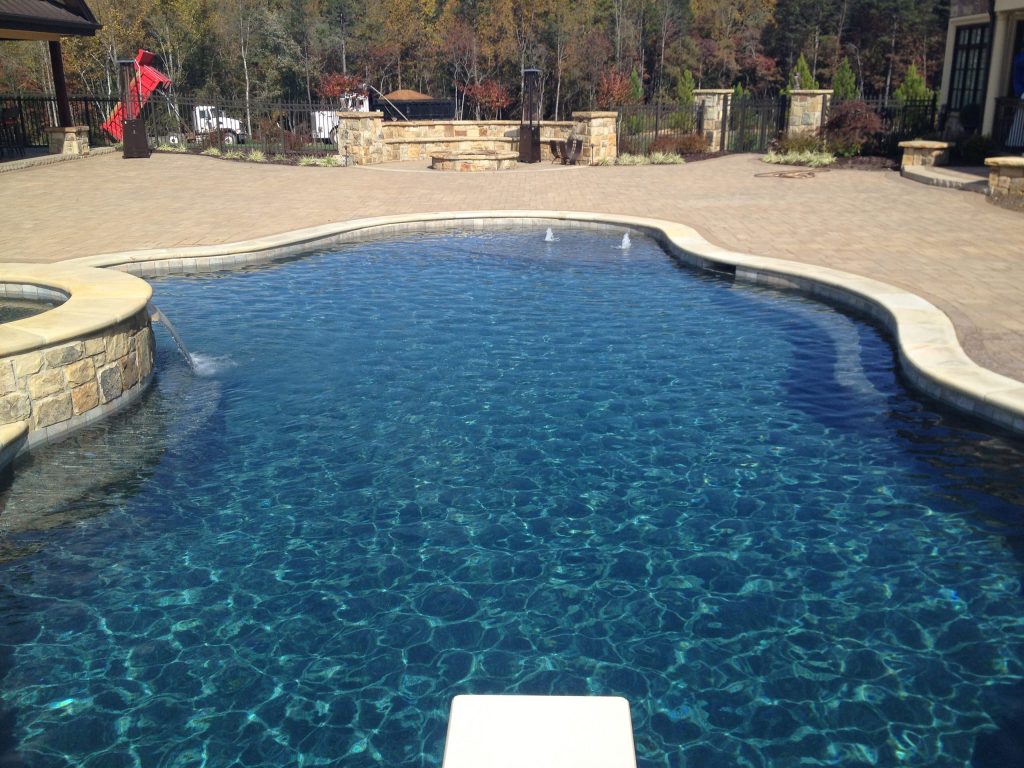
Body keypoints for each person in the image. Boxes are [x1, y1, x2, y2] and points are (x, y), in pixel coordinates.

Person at [1009, 47, 1024, 149]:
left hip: (1021, 91)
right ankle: (1015, 144)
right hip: (1022, 91)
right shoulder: (1020, 59)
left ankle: (1015, 143)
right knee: (1019, 120)